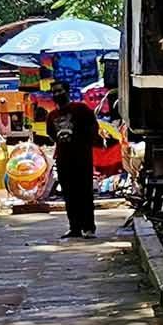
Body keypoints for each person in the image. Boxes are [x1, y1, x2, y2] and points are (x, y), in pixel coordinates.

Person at [48, 81, 101, 239]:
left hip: (82, 157)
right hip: (63, 159)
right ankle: (74, 227)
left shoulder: (81, 109)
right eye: (54, 92)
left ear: (67, 91)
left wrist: (83, 143)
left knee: (84, 192)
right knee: (69, 194)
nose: (57, 94)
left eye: (60, 91)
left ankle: (89, 227)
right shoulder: (51, 116)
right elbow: (51, 135)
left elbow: (93, 128)